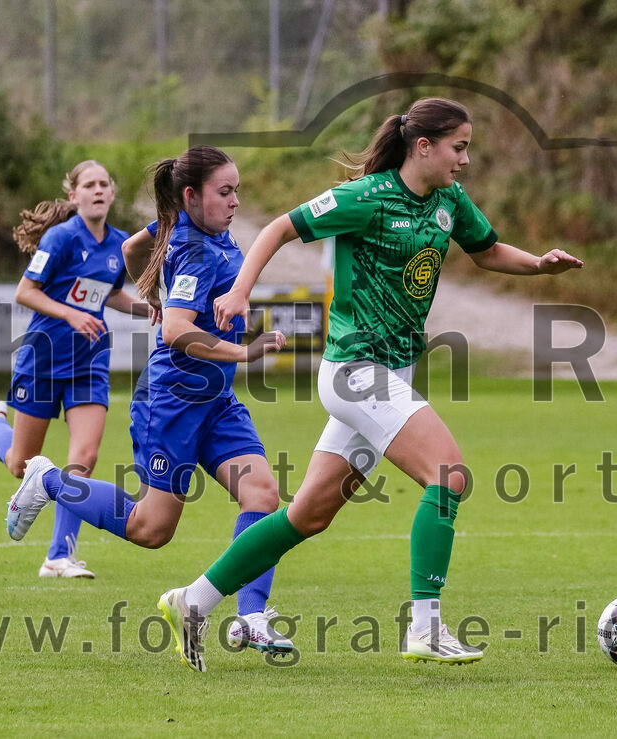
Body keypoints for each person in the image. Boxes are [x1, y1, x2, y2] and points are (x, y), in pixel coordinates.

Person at [153, 97, 584, 672]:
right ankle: (426, 627)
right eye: (459, 148)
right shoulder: (367, 198)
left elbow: (487, 252)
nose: (465, 160)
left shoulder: (448, 201)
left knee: (307, 515)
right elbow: (280, 227)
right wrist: (238, 293)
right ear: (423, 146)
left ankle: (194, 600)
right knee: (448, 474)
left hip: (390, 375)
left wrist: (538, 265)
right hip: (356, 372)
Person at [2, 146, 294, 664]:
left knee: (263, 494)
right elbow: (179, 330)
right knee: (151, 529)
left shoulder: (185, 228)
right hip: (173, 402)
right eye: (224, 191)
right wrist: (242, 351)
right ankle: (47, 479)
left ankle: (251, 615)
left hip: (215, 400)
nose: (234, 200)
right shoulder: (196, 251)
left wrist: (148, 290)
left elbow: (132, 252)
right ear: (191, 195)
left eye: (236, 190)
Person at [0, 160, 150, 578]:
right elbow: (25, 292)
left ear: (113, 193)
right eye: (89, 184)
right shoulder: (61, 237)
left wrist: (150, 309)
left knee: (83, 457)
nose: (98, 190)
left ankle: (58, 555)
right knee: (21, 464)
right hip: (43, 360)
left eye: (105, 183)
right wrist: (70, 315)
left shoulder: (119, 244)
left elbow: (112, 294)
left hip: (89, 361)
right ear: (74, 196)